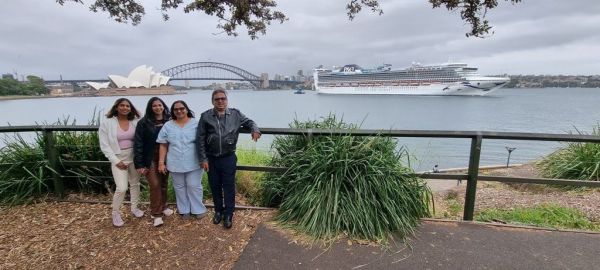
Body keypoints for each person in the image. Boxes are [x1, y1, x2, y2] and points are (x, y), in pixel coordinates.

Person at [196, 89, 261, 229]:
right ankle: (218, 211)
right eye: (217, 99)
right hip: (211, 158)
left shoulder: (235, 114)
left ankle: (229, 213)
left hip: (228, 157)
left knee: (229, 187)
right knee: (215, 186)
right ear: (212, 101)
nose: (220, 101)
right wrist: (203, 159)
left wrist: (255, 129)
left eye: (223, 99)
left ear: (227, 100)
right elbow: (200, 139)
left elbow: (250, 122)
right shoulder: (206, 116)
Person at [156, 100, 207, 220]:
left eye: (182, 108)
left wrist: (204, 159)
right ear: (173, 111)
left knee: (194, 185)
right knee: (179, 187)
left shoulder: (196, 124)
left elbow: (203, 143)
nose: (179, 111)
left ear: (187, 109)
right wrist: (161, 162)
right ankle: (184, 210)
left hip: (194, 162)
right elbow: (163, 144)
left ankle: (198, 209)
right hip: (175, 162)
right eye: (176, 109)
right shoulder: (168, 125)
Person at [98, 98, 144, 227]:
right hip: (118, 158)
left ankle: (134, 208)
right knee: (122, 187)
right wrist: (115, 160)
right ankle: (115, 213)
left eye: (128, 106)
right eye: (122, 105)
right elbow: (104, 145)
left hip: (134, 156)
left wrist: (136, 111)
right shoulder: (107, 123)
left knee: (135, 184)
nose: (125, 108)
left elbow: (143, 118)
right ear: (116, 107)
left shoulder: (134, 121)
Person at [133, 97, 174, 227]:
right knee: (155, 184)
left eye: (160, 105)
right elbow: (138, 143)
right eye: (154, 106)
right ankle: (156, 214)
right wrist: (139, 164)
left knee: (163, 182)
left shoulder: (170, 119)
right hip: (149, 157)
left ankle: (163, 206)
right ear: (150, 108)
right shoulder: (144, 123)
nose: (158, 108)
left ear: (163, 106)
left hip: (166, 156)